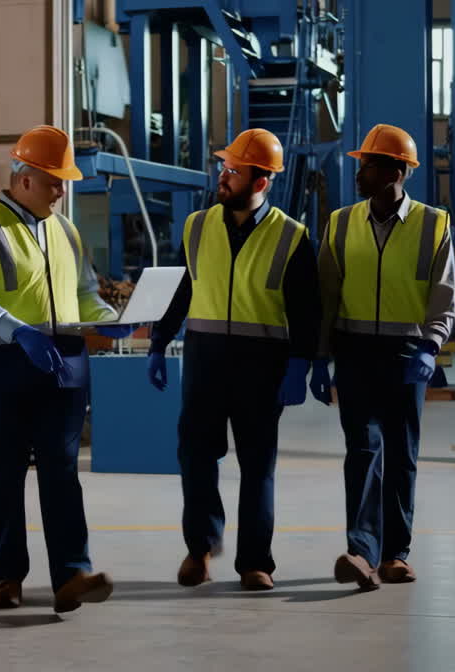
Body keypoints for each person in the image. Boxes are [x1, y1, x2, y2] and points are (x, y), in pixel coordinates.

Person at [0, 125, 132, 613]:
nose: (62, 190)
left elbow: (86, 295)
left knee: (61, 469)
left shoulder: (65, 229)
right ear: (24, 177)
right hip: (6, 364)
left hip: (65, 366)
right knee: (6, 471)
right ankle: (8, 576)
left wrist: (112, 322)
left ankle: (71, 574)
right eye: (54, 181)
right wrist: (20, 331)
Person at [146, 128, 320, 591]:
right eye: (223, 168)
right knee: (196, 457)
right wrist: (160, 342)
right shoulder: (197, 225)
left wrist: (302, 363)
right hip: (204, 359)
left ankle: (255, 563)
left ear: (261, 182)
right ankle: (199, 549)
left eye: (234, 171)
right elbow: (184, 289)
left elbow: (306, 309)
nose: (223, 177)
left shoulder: (292, 236)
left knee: (257, 465)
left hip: (261, 364)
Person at [311, 123, 455, 590]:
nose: (360, 173)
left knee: (402, 455)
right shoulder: (340, 222)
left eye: (369, 166)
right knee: (362, 450)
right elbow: (326, 295)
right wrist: (319, 356)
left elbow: (445, 295)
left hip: (407, 353)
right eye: (360, 165)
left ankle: (396, 554)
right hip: (354, 351)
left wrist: (431, 346)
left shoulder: (434, 224)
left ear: (397, 172)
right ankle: (362, 551)